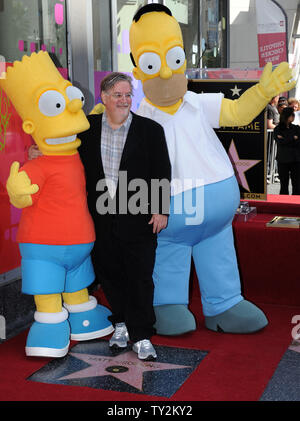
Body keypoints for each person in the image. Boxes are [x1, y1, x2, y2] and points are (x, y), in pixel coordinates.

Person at [128, 3, 295, 335]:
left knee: (218, 251)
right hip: (171, 212)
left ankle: (225, 303)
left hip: (217, 214)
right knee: (168, 254)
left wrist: (262, 92)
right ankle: (166, 304)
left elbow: (236, 113)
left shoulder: (197, 102)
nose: (165, 72)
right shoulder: (139, 119)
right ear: (138, 69)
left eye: (173, 59)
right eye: (152, 63)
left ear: (184, 60)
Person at [78, 72, 171, 360]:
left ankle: (142, 335)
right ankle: (121, 325)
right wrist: (36, 150)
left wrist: (160, 208)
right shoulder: (86, 129)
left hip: (139, 216)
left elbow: (162, 170)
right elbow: (60, 149)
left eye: (128, 95)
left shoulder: (150, 130)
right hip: (101, 217)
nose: (124, 100)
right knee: (110, 274)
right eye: (118, 95)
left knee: (141, 277)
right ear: (104, 98)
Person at [274, 107, 300, 195]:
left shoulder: (296, 128)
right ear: (286, 116)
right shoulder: (277, 129)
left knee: (297, 184)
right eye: (292, 115)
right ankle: (283, 203)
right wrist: (293, 138)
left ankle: (296, 203)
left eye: (294, 114)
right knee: (284, 184)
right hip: (283, 159)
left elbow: (298, 142)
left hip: (296, 159)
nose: (294, 116)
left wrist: (286, 139)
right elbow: (280, 142)